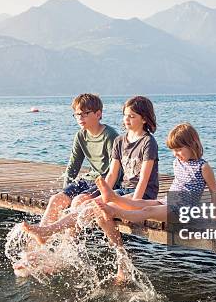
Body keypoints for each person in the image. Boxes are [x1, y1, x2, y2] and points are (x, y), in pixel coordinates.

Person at [22, 96, 159, 249]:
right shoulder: (120, 141)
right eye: (125, 115)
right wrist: (103, 194)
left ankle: (51, 234)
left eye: (132, 116)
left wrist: (134, 204)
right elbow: (112, 174)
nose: (126, 119)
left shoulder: (148, 142)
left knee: (92, 208)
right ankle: (48, 237)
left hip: (142, 194)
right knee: (88, 204)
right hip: (123, 190)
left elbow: (143, 180)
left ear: (144, 119)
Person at [95, 123, 216, 227]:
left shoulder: (203, 167)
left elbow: (214, 191)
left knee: (148, 211)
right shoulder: (177, 162)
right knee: (141, 203)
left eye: (178, 149)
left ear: (192, 144)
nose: (175, 154)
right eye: (173, 150)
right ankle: (113, 198)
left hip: (183, 210)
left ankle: (115, 211)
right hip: (169, 201)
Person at [40, 93, 119, 226]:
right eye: (77, 114)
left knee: (78, 201)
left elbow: (115, 171)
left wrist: (107, 193)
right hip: (89, 179)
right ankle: (42, 238)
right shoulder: (80, 135)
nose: (80, 118)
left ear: (98, 114)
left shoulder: (110, 135)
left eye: (85, 114)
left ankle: (69, 244)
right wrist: (65, 191)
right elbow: (73, 166)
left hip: (105, 182)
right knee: (56, 199)